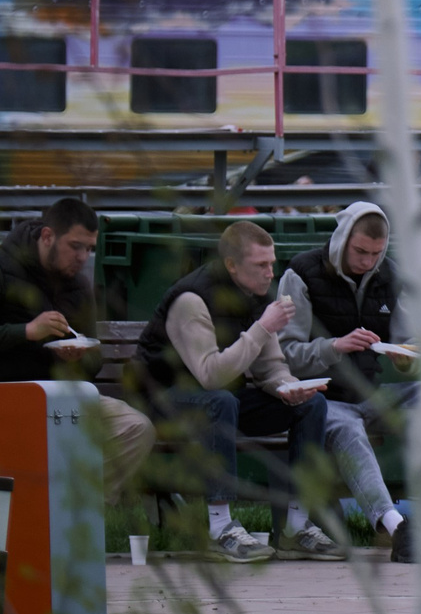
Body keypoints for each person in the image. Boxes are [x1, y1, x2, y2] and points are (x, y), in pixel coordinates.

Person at [276, 202, 421, 561]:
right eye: (360, 251)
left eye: (376, 253)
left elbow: (410, 343)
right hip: (321, 397)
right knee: (349, 430)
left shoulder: (390, 275)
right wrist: (334, 347)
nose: (367, 261)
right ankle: (396, 529)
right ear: (342, 240)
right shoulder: (301, 273)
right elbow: (285, 352)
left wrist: (407, 358)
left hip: (373, 392)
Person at [135, 220, 336, 563]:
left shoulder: (256, 296)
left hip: (219, 403)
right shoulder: (191, 299)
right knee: (221, 400)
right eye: (260, 265)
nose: (269, 273)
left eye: (271, 263)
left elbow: (270, 367)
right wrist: (261, 328)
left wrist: (288, 388)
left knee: (311, 405)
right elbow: (210, 375)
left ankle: (296, 526)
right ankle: (220, 528)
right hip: (164, 400)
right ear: (231, 265)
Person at [0, 196, 155, 503]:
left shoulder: (79, 287)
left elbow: (94, 359)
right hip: (0, 394)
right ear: (47, 236)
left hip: (58, 398)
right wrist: (27, 332)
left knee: (136, 428)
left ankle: (77, 509)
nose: (83, 256)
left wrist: (78, 358)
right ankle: (56, 515)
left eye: (90, 248)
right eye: (76, 246)